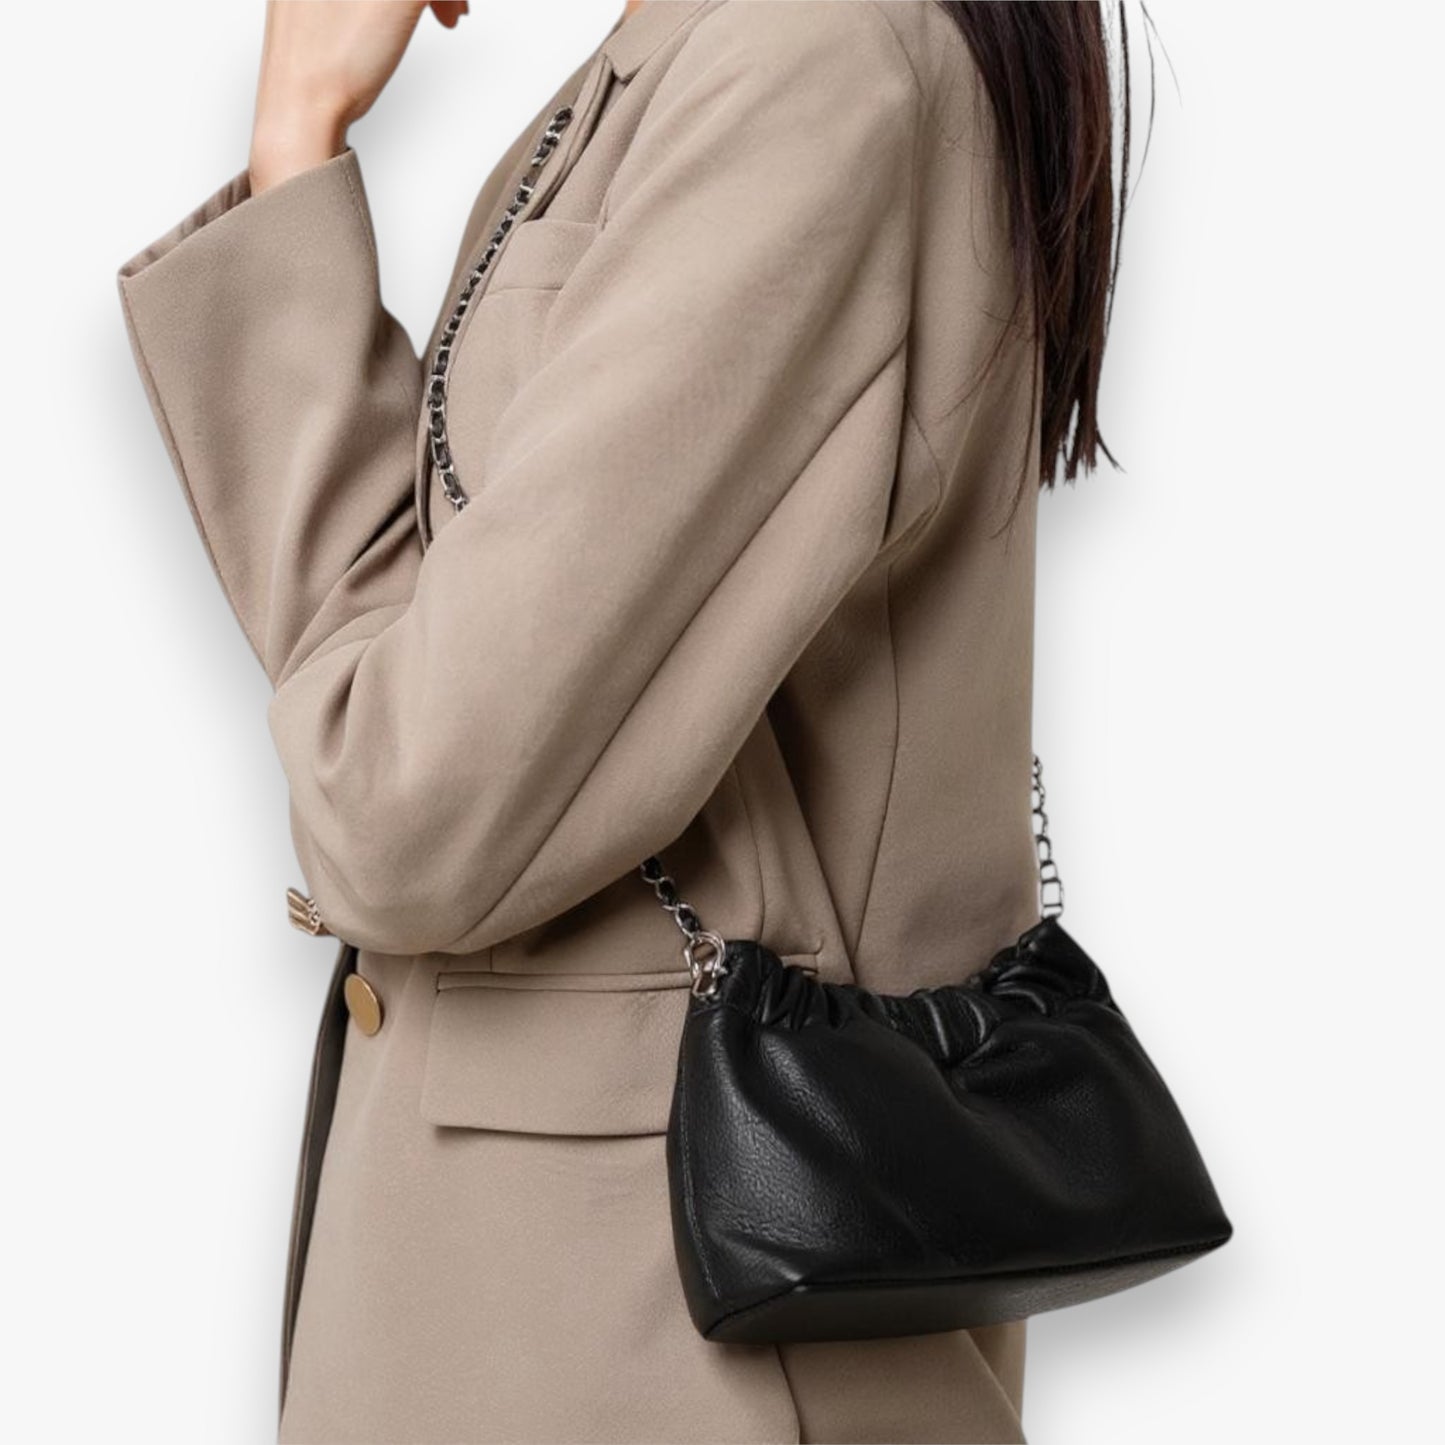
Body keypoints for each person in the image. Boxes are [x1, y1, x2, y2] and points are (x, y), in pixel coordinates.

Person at [115, 1, 1133, 1440]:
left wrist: (293, 148)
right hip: (576, 1301)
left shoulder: (811, 62)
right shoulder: (711, 51)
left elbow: (412, 802)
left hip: (649, 1328)